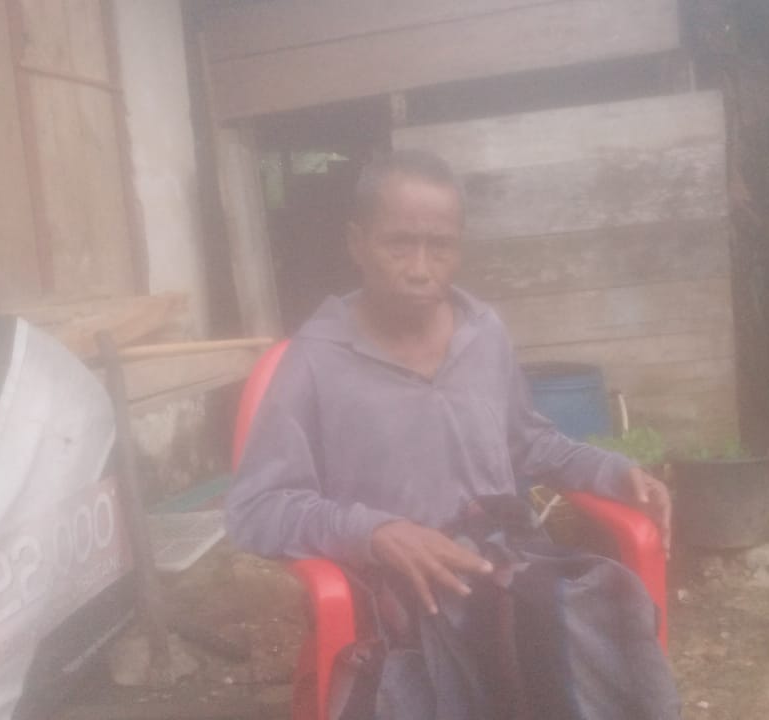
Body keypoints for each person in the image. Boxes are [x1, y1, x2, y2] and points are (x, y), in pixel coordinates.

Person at [227, 149, 680, 719]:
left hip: (498, 564)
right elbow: (258, 508)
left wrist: (613, 471)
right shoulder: (315, 361)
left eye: (439, 246)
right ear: (357, 244)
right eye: (399, 244)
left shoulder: (483, 333)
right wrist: (375, 532)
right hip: (390, 591)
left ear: (459, 248)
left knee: (598, 629)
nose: (420, 268)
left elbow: (528, 441)